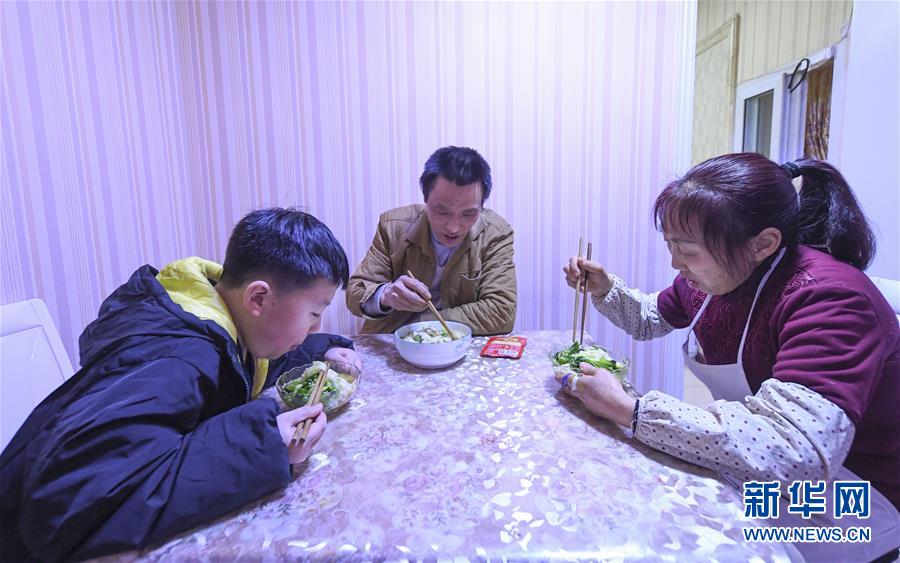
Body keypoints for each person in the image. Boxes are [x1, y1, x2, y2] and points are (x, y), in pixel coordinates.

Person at [560, 153, 899, 561]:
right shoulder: (716, 280)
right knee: (658, 507)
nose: (675, 263)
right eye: (670, 245)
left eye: (687, 249)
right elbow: (649, 318)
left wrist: (630, 410)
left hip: (855, 492)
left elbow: (795, 450)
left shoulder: (829, 299)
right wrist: (603, 287)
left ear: (762, 244)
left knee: (704, 542)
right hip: (766, 465)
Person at [0, 208, 362, 561]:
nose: (315, 327)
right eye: (314, 314)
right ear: (257, 298)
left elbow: (255, 360)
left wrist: (323, 347)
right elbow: (64, 508)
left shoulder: (216, 316)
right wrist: (264, 446)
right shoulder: (179, 359)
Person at [346, 146, 516, 335]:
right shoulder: (393, 226)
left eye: (468, 214)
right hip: (392, 342)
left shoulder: (495, 233)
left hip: (457, 344)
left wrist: (421, 324)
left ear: (482, 206)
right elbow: (354, 294)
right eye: (442, 211)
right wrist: (386, 295)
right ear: (425, 199)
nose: (453, 227)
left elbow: (501, 311)